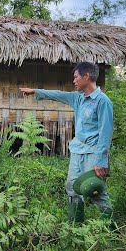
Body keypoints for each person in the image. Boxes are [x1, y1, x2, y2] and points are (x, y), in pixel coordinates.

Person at [19, 61, 113, 221]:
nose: (74, 81)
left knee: (94, 190)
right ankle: (75, 225)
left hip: (93, 152)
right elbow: (58, 94)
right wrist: (35, 91)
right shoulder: (78, 98)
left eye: (76, 77)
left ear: (87, 76)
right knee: (72, 188)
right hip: (77, 150)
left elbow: (106, 132)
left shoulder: (102, 101)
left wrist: (101, 161)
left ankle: (109, 227)